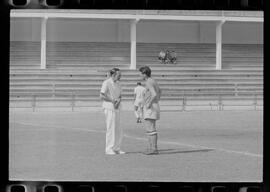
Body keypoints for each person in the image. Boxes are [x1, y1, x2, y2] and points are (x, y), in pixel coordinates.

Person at [100, 68, 125, 155]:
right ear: (113, 75)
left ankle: (116, 148)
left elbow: (120, 95)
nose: (120, 76)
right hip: (109, 107)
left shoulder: (119, 84)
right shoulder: (106, 82)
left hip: (117, 107)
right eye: (119, 75)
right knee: (111, 128)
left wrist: (118, 101)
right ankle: (109, 149)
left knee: (118, 129)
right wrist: (112, 100)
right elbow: (102, 95)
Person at [139, 66, 162, 155]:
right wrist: (157, 101)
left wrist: (149, 103)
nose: (140, 75)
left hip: (151, 107)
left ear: (144, 74)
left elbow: (154, 94)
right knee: (150, 127)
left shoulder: (148, 82)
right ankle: (151, 148)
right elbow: (160, 91)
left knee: (150, 127)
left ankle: (154, 149)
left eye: (140, 74)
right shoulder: (153, 80)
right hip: (154, 105)